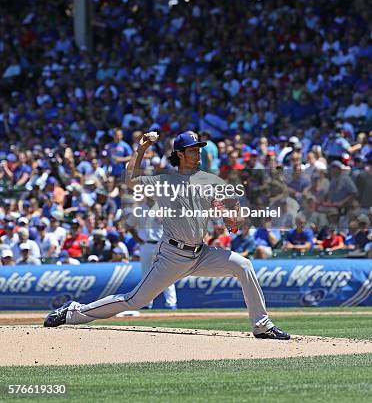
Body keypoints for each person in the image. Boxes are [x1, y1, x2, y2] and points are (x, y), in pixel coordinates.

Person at [44, 131, 290, 340]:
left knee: (244, 265)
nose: (198, 153)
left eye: (199, 148)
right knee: (133, 301)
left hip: (201, 253)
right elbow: (130, 179)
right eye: (193, 149)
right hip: (172, 255)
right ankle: (74, 312)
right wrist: (141, 149)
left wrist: (231, 216)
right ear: (180, 154)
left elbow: (234, 207)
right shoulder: (164, 181)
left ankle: (261, 326)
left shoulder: (210, 179)